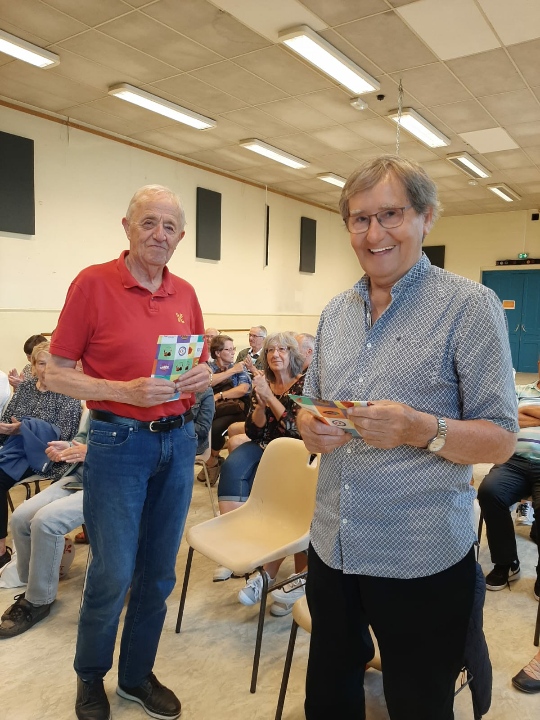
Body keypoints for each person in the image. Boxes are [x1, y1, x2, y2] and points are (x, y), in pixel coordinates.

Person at [297, 155, 518, 720]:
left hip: (420, 554)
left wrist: (419, 428)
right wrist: (308, 428)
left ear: (426, 217)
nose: (375, 234)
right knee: (329, 696)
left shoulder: (469, 307)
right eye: (360, 219)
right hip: (332, 545)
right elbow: (314, 404)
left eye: (390, 214)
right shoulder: (335, 313)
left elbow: (500, 440)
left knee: (419, 702)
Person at [45, 184, 211, 720]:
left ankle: (136, 675)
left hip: (177, 441)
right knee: (113, 573)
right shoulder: (93, 284)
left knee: (158, 573)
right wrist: (123, 391)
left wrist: (202, 376)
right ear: (127, 226)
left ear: (181, 236)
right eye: (149, 222)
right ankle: (91, 675)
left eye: (170, 227)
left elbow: (196, 365)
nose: (159, 234)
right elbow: (55, 375)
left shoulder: (185, 293)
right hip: (117, 442)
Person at [214, 332, 306, 596]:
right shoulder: (264, 382)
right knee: (233, 466)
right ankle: (235, 548)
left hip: (294, 451)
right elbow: (254, 432)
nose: (275, 354)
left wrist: (271, 399)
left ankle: (280, 573)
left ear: (293, 354)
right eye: (270, 350)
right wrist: (260, 405)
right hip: (265, 445)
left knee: (285, 497)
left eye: (282, 349)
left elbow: (295, 430)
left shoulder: (304, 384)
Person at [0, 414, 89, 638]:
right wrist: (68, 446)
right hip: (78, 476)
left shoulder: (139, 408)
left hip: (109, 482)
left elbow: (135, 455)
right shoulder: (97, 405)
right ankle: (33, 585)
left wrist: (90, 452)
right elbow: (81, 437)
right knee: (20, 518)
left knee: (45, 522)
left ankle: (38, 600)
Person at [0, 341, 82, 569]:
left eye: (51, 364)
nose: (46, 369)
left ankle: (1, 551)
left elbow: (64, 435)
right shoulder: (26, 388)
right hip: (17, 448)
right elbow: (8, 418)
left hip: (45, 455)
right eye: (41, 363)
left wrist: (26, 428)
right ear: (33, 366)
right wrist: (8, 428)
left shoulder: (68, 393)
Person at [477, 359, 540, 594]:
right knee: (490, 492)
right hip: (513, 462)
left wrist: (524, 413)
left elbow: (518, 417)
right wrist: (517, 416)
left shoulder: (523, 399)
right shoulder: (520, 390)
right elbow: (507, 420)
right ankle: (506, 563)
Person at [198, 335, 251, 484]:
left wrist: (219, 396)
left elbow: (243, 389)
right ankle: (212, 461)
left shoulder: (240, 368)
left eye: (233, 349)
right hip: (213, 410)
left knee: (215, 429)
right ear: (217, 353)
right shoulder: (209, 367)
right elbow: (207, 381)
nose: (233, 352)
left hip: (236, 409)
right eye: (229, 349)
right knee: (200, 426)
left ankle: (213, 461)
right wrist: (231, 371)